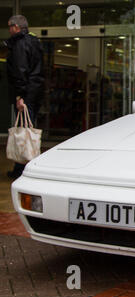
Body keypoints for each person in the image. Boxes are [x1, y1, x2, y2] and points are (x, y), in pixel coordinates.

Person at [5, 15, 44, 179]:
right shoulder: (34, 42)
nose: (9, 30)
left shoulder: (20, 44)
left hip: (26, 93)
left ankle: (23, 166)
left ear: (16, 27)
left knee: (24, 130)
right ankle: (22, 165)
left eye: (9, 26)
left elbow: (20, 70)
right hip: (34, 91)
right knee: (27, 128)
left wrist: (20, 95)